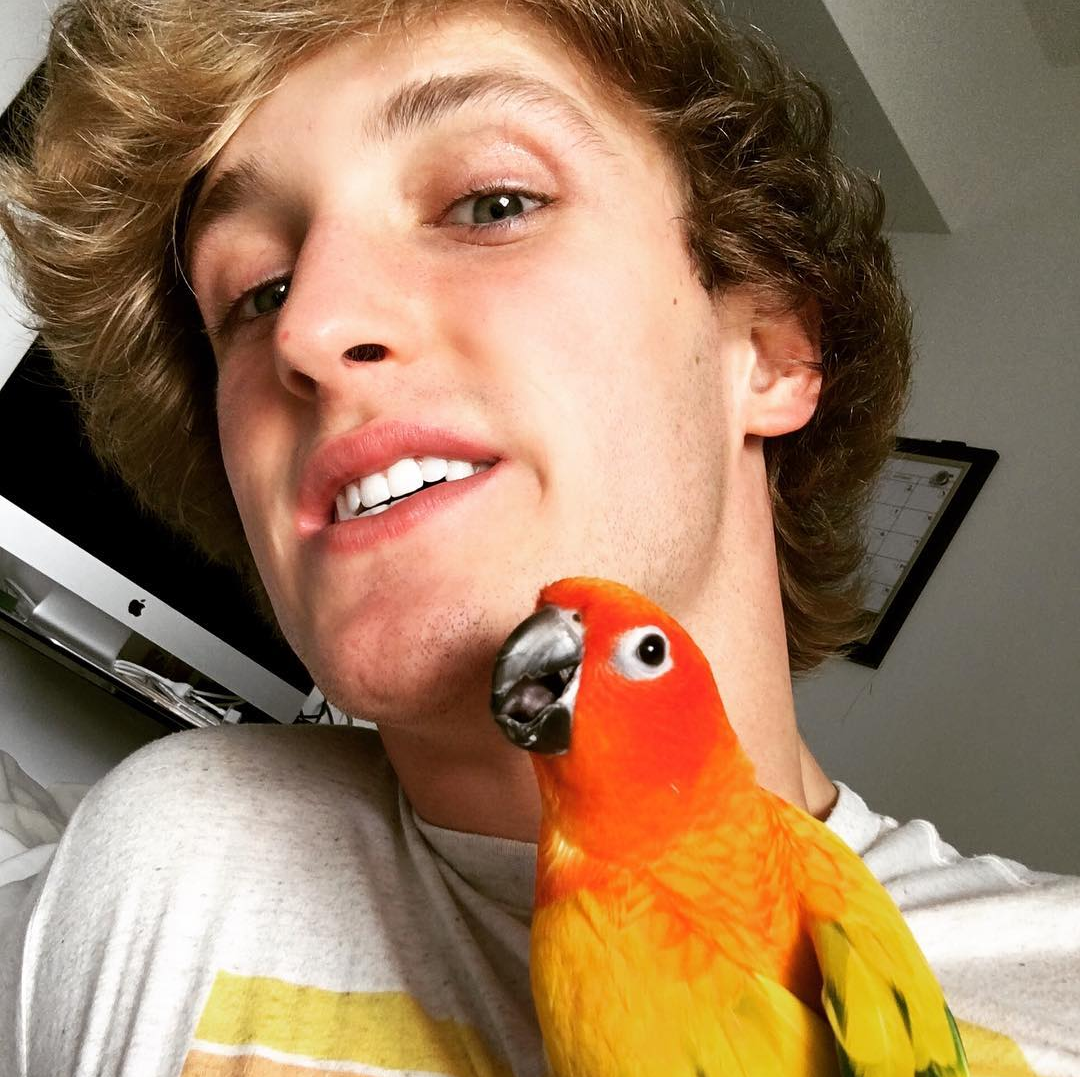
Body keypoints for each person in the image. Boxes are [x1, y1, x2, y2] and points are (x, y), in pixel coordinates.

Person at [0, 0, 1076, 1075]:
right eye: (255, 292)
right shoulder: (154, 865)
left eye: (492, 204)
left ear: (770, 349)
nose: (310, 329)